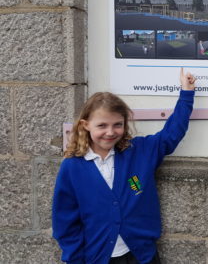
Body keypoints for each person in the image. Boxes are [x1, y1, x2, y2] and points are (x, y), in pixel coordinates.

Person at [53, 68, 196, 264]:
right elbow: (65, 222)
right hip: (97, 258)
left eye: (117, 124)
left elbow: (171, 134)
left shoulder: (140, 152)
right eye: (102, 125)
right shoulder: (72, 167)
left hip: (141, 256)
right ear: (86, 125)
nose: (110, 132)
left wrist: (186, 95)